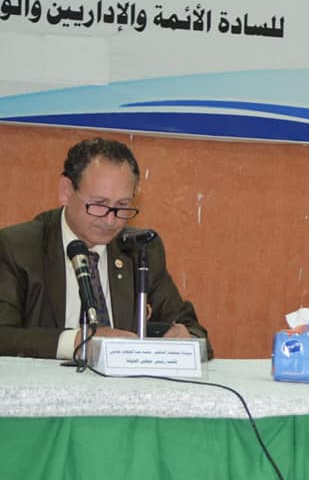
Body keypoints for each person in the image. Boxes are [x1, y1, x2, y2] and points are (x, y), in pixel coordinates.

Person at [0, 137, 212, 359]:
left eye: (122, 205)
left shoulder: (140, 249)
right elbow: (4, 335)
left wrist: (186, 338)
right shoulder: (17, 248)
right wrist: (78, 342)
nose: (111, 221)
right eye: (99, 204)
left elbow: (195, 332)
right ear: (66, 191)